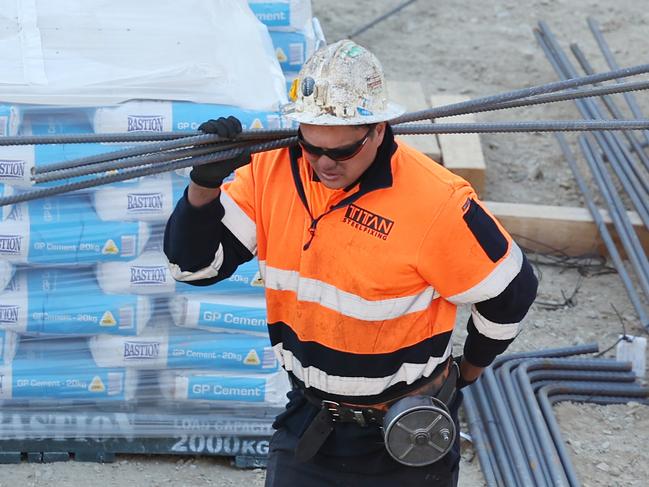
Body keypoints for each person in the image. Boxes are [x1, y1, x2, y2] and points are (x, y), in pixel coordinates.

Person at [164, 39, 538, 487]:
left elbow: (511, 291)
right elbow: (195, 268)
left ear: (379, 129)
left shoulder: (434, 201)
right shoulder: (272, 172)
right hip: (312, 423)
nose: (325, 164)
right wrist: (204, 187)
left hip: (405, 434)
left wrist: (469, 370)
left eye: (342, 152)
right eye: (311, 146)